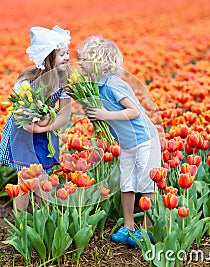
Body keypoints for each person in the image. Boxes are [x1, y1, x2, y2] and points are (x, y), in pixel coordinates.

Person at [78, 36, 162, 247]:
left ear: (98, 61)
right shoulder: (95, 87)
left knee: (146, 183)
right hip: (127, 144)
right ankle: (129, 225)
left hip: (144, 141)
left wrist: (104, 115)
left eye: (83, 59)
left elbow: (134, 111)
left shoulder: (115, 84)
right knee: (126, 183)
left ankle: (148, 229)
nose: (78, 63)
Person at [0, 25, 72, 212]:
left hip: (45, 134)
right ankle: (21, 221)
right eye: (62, 54)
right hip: (22, 133)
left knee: (43, 177)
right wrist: (33, 126)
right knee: (24, 178)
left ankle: (44, 218)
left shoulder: (64, 81)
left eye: (67, 53)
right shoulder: (26, 81)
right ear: (48, 58)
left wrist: (45, 128)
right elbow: (20, 111)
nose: (68, 57)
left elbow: (65, 114)